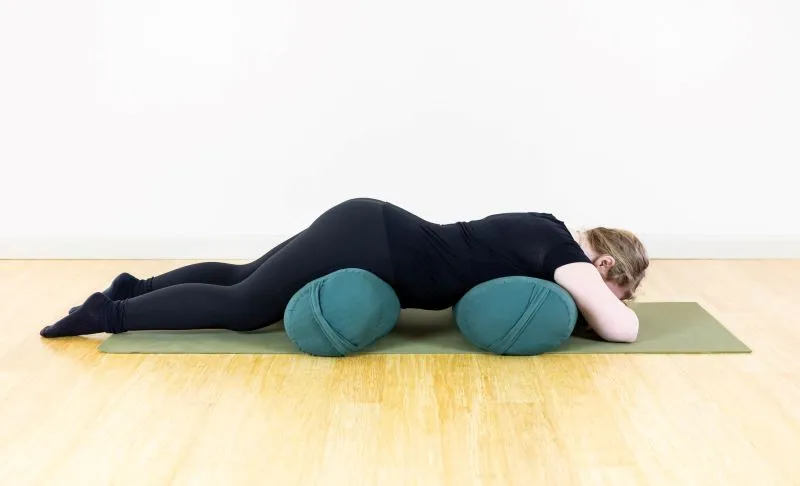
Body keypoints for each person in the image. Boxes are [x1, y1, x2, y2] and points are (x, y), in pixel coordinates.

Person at [40, 197, 649, 343]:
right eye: (617, 287)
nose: (611, 299)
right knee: (248, 307)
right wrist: (609, 309)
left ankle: (133, 288)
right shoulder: (563, 256)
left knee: (242, 275)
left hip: (371, 226)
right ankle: (110, 313)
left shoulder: (544, 228)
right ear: (602, 264)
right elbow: (622, 329)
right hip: (376, 242)